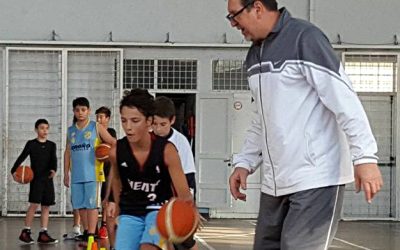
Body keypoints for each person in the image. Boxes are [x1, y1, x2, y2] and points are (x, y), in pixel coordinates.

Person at [226, 0, 384, 249]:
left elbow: (344, 100)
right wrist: (244, 162)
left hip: (316, 176)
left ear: (257, 7)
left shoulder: (305, 39)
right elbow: (262, 117)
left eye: (234, 16)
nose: (233, 24)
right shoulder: (254, 55)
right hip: (275, 181)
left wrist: (365, 157)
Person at [107, 89, 194, 250]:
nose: (128, 127)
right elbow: (117, 179)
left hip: (158, 211)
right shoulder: (116, 151)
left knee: (148, 247)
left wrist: (189, 213)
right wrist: (116, 206)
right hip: (130, 212)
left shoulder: (167, 151)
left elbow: (184, 193)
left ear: (148, 121)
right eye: (124, 120)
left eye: (135, 120)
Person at [63, 97, 116, 243]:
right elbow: (67, 152)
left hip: (92, 174)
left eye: (83, 110)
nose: (80, 112)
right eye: (77, 110)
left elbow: (113, 142)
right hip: (76, 175)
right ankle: (86, 231)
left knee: (92, 205)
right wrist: (66, 173)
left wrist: (107, 154)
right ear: (73, 111)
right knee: (79, 205)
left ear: (89, 111)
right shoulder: (71, 131)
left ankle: (92, 234)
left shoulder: (96, 127)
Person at [153, 96, 198, 250]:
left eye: (162, 124)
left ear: (172, 120)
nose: (158, 129)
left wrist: (189, 205)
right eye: (154, 124)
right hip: (155, 197)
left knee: (184, 240)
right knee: (158, 239)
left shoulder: (181, 142)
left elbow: (188, 177)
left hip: (177, 195)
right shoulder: (146, 140)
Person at [11, 119, 58, 244]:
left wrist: (54, 170)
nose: (45, 130)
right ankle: (25, 231)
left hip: (47, 180)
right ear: (36, 129)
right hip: (36, 179)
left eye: (47, 128)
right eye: (42, 128)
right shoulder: (31, 144)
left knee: (46, 206)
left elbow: (54, 160)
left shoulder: (52, 145)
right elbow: (22, 157)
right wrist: (13, 171)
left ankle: (43, 233)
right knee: (34, 205)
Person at [95, 106, 118, 247]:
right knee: (94, 200)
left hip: (107, 167)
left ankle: (104, 225)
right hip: (95, 168)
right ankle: (90, 228)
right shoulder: (93, 131)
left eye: (102, 117)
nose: (99, 119)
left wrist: (103, 152)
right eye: (97, 117)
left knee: (106, 198)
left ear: (108, 118)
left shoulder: (111, 132)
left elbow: (109, 148)